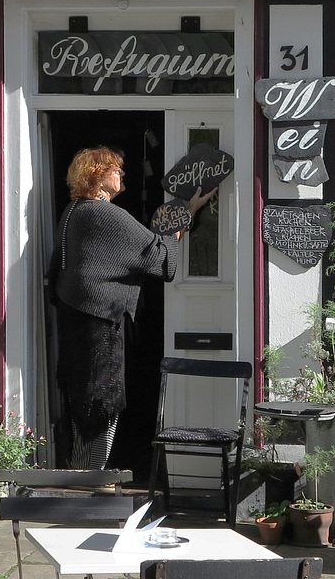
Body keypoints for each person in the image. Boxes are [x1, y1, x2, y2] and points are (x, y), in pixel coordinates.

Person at [50, 145, 216, 470]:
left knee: (84, 406)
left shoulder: (73, 212)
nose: (121, 174)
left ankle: (83, 475)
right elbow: (160, 258)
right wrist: (186, 211)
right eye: (115, 169)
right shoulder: (103, 213)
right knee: (102, 404)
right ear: (96, 175)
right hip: (99, 327)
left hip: (77, 324)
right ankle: (91, 480)